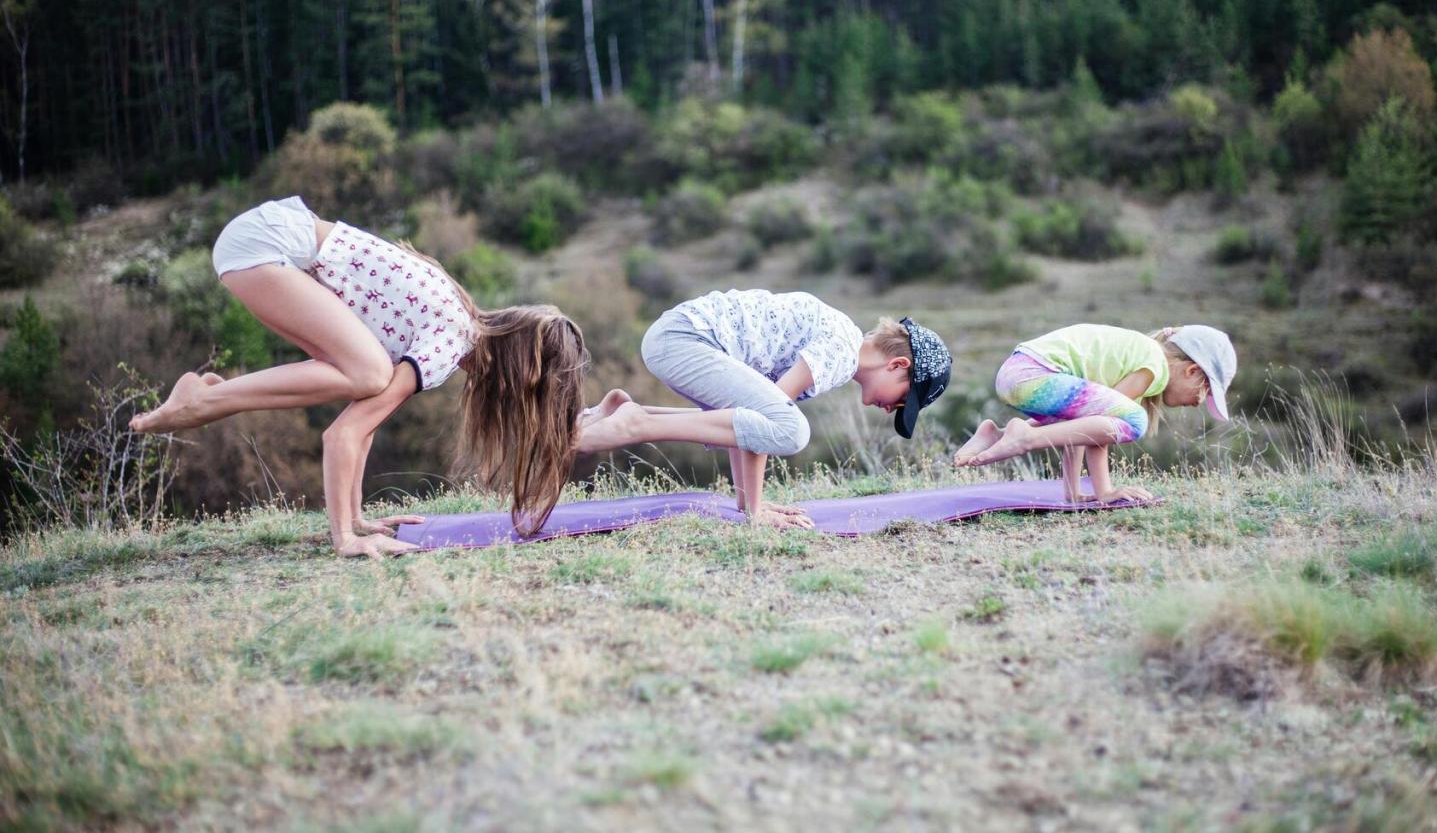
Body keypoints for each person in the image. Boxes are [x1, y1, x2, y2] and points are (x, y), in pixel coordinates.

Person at [129, 196, 589, 558]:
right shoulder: (452, 340)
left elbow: (362, 424)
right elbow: (342, 435)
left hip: (262, 240)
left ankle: (208, 396)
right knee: (369, 374)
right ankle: (205, 400)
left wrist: (359, 517)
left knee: (366, 377)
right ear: (519, 376)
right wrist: (345, 537)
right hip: (266, 244)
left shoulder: (455, 326)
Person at [578, 289, 952, 528]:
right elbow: (768, 418)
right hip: (685, 339)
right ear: (898, 366)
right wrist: (757, 514)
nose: (894, 410)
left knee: (771, 422)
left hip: (677, 336)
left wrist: (747, 504)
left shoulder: (840, 340)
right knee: (793, 430)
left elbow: (746, 422)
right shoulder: (841, 351)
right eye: (904, 400)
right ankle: (635, 424)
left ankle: (625, 412)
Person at [954, 323, 1235, 502]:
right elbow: (1102, 427)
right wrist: (1106, 493)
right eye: (1206, 392)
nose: (1200, 402)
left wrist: (1072, 493)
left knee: (1091, 420)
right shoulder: (1155, 367)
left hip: (1016, 374)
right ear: (1192, 371)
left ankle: (996, 434)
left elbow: (1081, 428)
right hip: (1034, 376)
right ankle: (1023, 437)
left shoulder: (1139, 353)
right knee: (1133, 419)